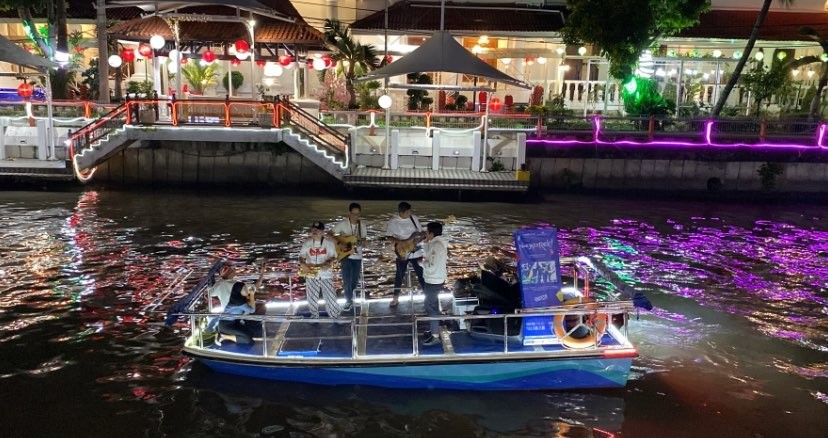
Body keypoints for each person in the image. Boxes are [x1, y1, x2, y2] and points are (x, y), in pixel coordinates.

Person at [385, 201, 426, 307]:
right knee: (399, 275)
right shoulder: (393, 221)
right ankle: (395, 298)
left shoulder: (414, 218)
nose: (410, 213)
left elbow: (419, 232)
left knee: (422, 275)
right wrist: (401, 242)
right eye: (408, 212)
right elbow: (389, 236)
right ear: (401, 212)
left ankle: (428, 297)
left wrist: (424, 235)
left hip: (416, 252)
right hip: (402, 252)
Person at [299, 221, 342, 318]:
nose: (314, 231)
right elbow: (301, 256)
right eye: (313, 230)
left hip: (325, 273)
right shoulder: (307, 243)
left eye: (317, 230)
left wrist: (328, 263)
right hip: (311, 273)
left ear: (322, 232)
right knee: (311, 297)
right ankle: (314, 315)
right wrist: (303, 264)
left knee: (330, 296)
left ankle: (334, 315)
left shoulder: (329, 243)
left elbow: (334, 256)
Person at [331, 202, 368, 311]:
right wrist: (340, 243)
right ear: (349, 213)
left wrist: (365, 243)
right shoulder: (342, 224)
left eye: (357, 214)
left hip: (357, 256)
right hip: (345, 256)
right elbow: (329, 234)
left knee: (354, 280)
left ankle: (349, 298)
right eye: (353, 214)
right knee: (347, 279)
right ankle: (348, 301)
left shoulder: (363, 226)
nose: (355, 216)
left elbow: (364, 240)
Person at [421, 222, 448, 346]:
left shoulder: (437, 246)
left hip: (433, 280)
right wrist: (426, 242)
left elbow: (431, 265)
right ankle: (434, 328)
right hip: (434, 279)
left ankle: (435, 335)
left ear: (431, 233)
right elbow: (428, 254)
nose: (425, 234)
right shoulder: (435, 243)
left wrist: (421, 264)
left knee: (430, 306)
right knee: (433, 304)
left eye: (427, 232)